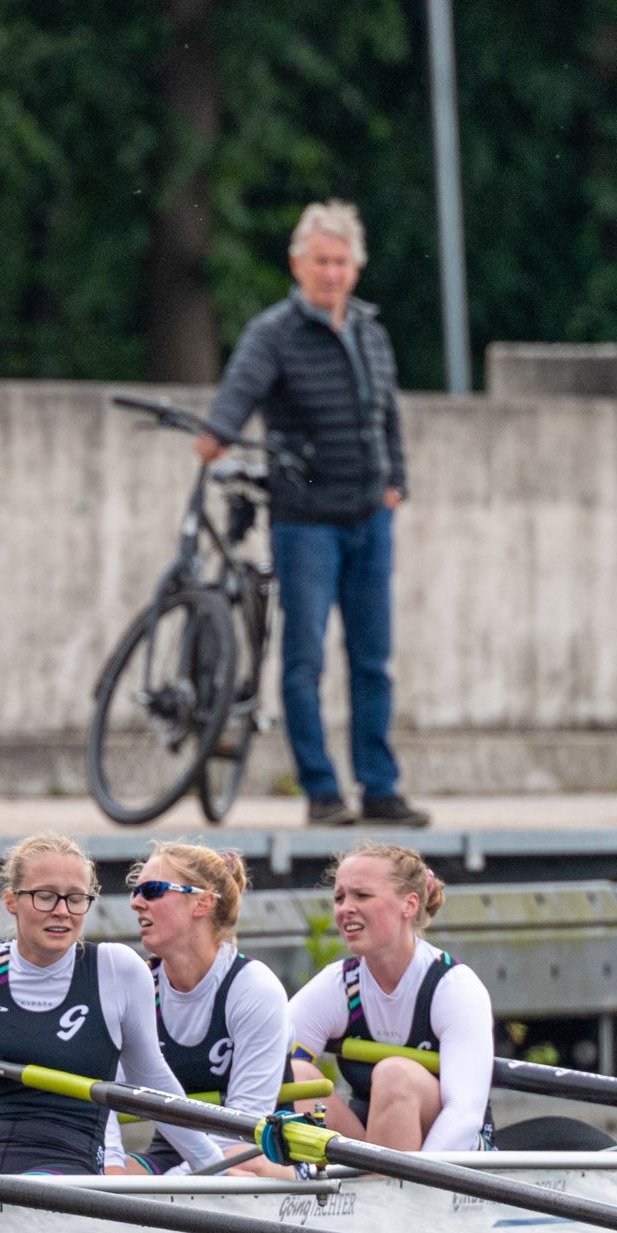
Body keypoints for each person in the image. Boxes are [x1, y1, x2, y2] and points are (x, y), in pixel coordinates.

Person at [198, 200, 427, 830]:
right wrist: (217, 431)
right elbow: (240, 390)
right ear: (298, 264)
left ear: (356, 267)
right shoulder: (273, 332)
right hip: (305, 521)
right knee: (305, 659)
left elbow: (388, 416)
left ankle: (379, 788)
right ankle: (322, 790)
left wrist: (395, 484)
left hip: (368, 516)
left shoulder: (371, 332)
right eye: (320, 260)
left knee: (373, 658)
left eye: (342, 261)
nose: (331, 272)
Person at [0, 833, 226, 1175]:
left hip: (70, 1163)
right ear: (11, 900)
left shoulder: (116, 970)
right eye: (45, 897)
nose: (62, 912)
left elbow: (150, 1078)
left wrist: (214, 1165)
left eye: (76, 898)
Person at [283, 844, 492, 1152]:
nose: (345, 909)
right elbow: (269, 1069)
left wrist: (405, 1188)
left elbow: (464, 1113)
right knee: (293, 1075)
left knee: (395, 1075)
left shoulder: (453, 988)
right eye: (339, 898)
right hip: (368, 1153)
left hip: (451, 1155)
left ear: (409, 905)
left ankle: (377, 1187)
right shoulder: (339, 984)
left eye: (362, 896)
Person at [124, 843, 290, 1174]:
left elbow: (246, 1127)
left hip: (260, 1152)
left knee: (247, 1167)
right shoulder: (138, 986)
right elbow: (104, 1100)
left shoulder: (254, 988)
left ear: (203, 902)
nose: (135, 902)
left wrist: (173, 1184)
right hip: (172, 1153)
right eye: (136, 891)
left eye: (153, 890)